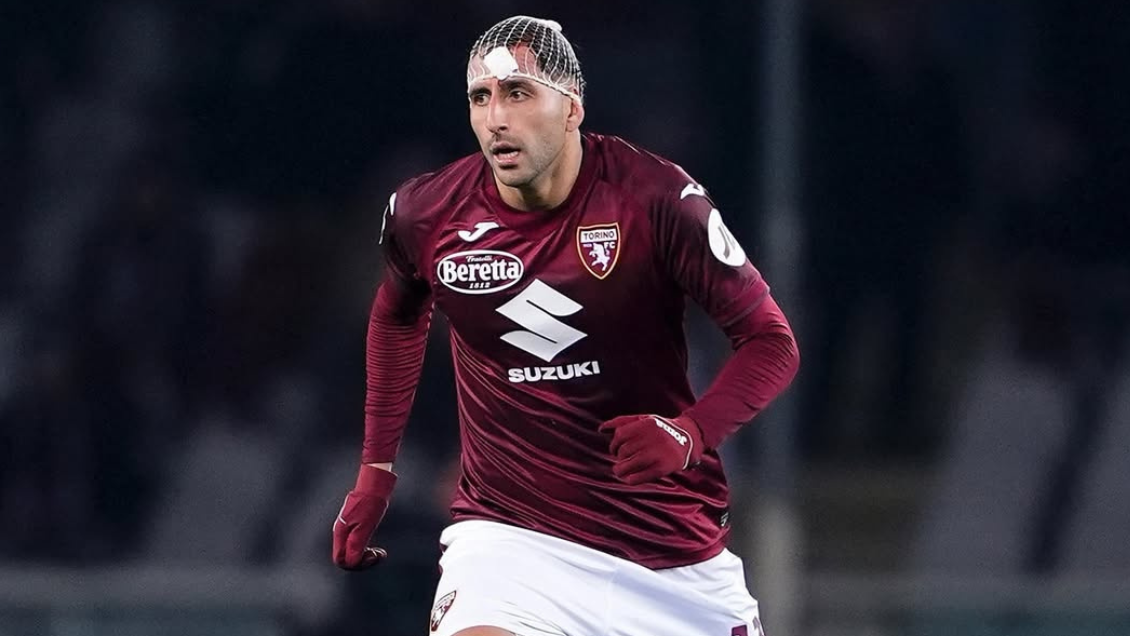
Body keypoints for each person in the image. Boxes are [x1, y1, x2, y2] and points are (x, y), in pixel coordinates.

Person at [332, 15, 799, 636]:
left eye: (517, 93)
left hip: (669, 557)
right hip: (510, 544)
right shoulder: (427, 212)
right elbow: (396, 315)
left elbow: (771, 342)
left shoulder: (656, 199)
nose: (496, 118)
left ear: (572, 106)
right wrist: (375, 472)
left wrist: (691, 433)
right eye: (480, 98)